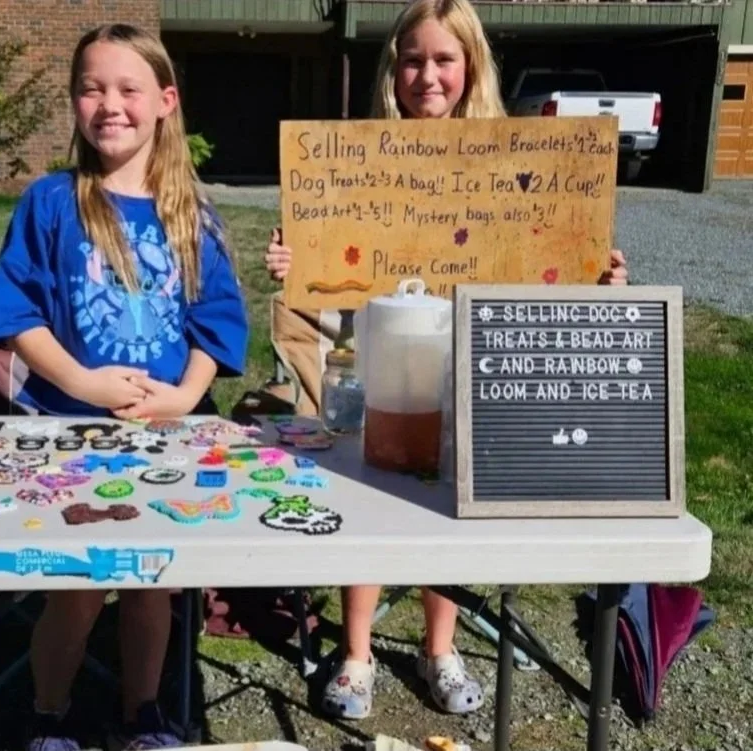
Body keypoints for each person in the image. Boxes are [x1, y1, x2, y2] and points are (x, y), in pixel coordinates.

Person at [264, 0, 628, 723]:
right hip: (378, 356)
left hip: (466, 363)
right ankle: (359, 651)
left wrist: (597, 278)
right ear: (392, 68)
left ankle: (440, 645)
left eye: (443, 59)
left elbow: (549, 264)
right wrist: (293, 260)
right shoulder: (354, 159)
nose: (427, 75)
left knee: (446, 500)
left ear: (471, 66)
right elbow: (323, 273)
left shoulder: (515, 157)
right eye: (412, 60)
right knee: (365, 498)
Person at [0, 23, 248, 751]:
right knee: (76, 587)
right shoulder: (50, 202)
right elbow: (17, 313)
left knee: (150, 584)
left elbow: (216, 321)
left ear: (165, 100)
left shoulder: (193, 212)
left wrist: (187, 396)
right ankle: (49, 715)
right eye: (91, 89)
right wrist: (82, 381)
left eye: (128, 88)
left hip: (165, 434)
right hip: (70, 429)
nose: (110, 105)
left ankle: (143, 714)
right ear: (73, 102)